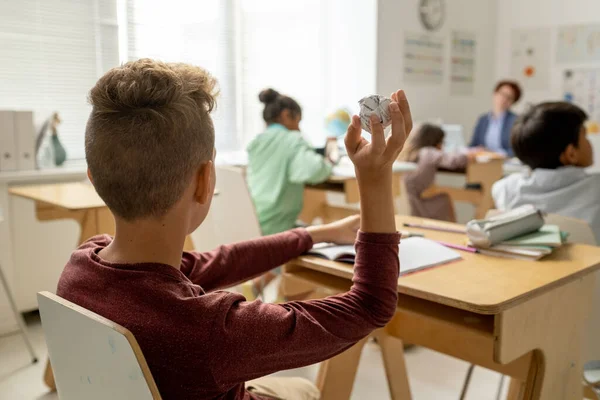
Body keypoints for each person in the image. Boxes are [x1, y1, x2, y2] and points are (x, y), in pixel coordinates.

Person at [56, 58, 412, 400]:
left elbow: (220, 262)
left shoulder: (80, 267)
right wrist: (375, 177)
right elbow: (370, 306)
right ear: (204, 180)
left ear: (95, 179)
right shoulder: (209, 330)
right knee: (304, 389)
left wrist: (315, 234)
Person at [492, 102, 600, 242]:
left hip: (528, 263)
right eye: (585, 136)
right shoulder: (596, 187)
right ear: (571, 153)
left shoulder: (505, 189)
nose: (589, 143)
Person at [247, 88, 333, 236]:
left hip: (253, 222)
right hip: (276, 228)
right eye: (298, 122)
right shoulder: (292, 139)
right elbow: (315, 170)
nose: (299, 128)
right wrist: (330, 159)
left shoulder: (256, 143)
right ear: (286, 115)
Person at [399, 123, 474, 222]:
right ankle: (451, 229)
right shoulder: (429, 152)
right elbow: (453, 160)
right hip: (417, 205)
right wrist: (469, 155)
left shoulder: (407, 152)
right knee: (444, 199)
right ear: (436, 142)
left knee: (439, 195)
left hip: (404, 202)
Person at [470, 80, 522, 156]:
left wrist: (495, 154)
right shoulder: (483, 119)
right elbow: (473, 144)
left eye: (509, 97)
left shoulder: (516, 120)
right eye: (502, 94)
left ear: (513, 102)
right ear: (495, 94)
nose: (504, 99)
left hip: (504, 162)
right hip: (483, 161)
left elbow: (517, 149)